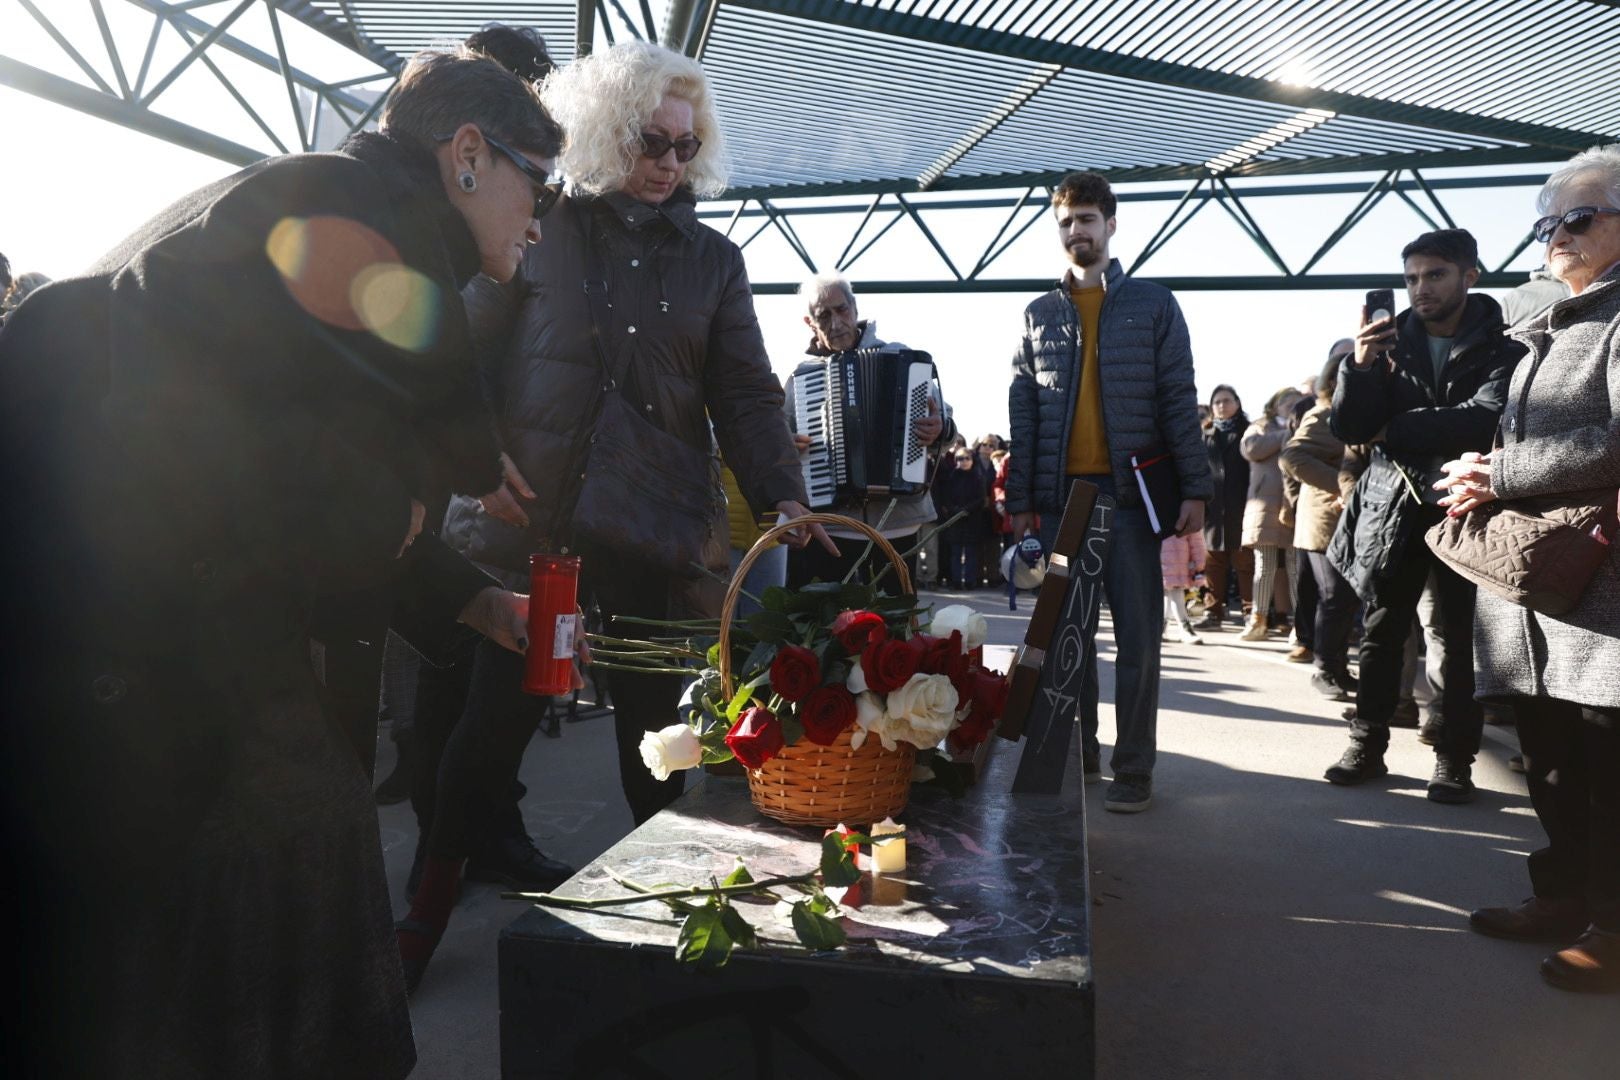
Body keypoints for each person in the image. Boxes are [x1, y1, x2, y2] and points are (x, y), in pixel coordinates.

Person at [0, 45, 561, 1077]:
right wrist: (383, 505)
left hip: (165, 649)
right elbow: (203, 442)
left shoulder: (347, 211)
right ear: (469, 153)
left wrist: (472, 598)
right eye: (544, 182)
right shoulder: (336, 203)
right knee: (262, 900)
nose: (544, 218)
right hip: (135, 657)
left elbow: (300, 471)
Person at [426, 40, 824, 986]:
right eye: (653, 140)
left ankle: (668, 932)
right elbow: (466, 353)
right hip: (541, 527)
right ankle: (418, 916)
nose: (669, 163)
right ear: (612, 131)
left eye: (687, 149)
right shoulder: (542, 224)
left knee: (657, 742)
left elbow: (746, 392)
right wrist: (468, 459)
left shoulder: (715, 262)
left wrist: (782, 491)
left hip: (654, 532)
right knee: (489, 733)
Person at [1449, 145, 1620, 993]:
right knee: (1549, 757)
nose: (1558, 235)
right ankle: (1565, 896)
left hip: (1600, 588)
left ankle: (1615, 927)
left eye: (1579, 218)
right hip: (1541, 588)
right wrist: (1483, 469)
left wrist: (1502, 473)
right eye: (1548, 222)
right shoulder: (1551, 322)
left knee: (1606, 763)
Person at [1006, 171, 1211, 814]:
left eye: (1088, 219)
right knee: (1070, 640)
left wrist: (1196, 487)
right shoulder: (1038, 315)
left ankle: (1134, 768)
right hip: (1067, 503)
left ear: (1111, 224)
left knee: (1140, 639)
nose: (1077, 231)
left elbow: (1179, 399)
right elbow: (1025, 415)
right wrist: (1020, 503)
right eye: (1066, 221)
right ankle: (1081, 751)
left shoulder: (1154, 304)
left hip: (1131, 501)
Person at [1325, 227, 1523, 802]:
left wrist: (1399, 427)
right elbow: (1352, 428)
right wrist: (1360, 367)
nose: (1420, 288)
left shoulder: (1503, 346)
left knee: (1460, 639)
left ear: (1469, 275)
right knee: (1383, 633)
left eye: (1434, 274)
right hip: (1395, 504)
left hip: (1466, 508)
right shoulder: (1386, 347)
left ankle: (1454, 759)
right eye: (1412, 278)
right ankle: (1367, 743)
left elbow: (1485, 417)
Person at [783, 270, 951, 587]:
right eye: (823, 315)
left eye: (841, 310)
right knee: (827, 625)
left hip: (898, 520)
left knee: (896, 627)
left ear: (855, 307)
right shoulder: (800, 379)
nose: (835, 323)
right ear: (810, 323)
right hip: (831, 523)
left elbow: (944, 419)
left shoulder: (902, 359)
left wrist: (939, 428)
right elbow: (779, 437)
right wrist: (789, 445)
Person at [1281, 347, 1362, 701]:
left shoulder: (1357, 412)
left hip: (1349, 520)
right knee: (1333, 597)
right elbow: (1291, 455)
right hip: (1323, 521)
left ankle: (1338, 667)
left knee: (1343, 600)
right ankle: (1325, 669)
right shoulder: (1324, 413)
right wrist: (1342, 483)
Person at [1238, 387, 1302, 641]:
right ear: (1275, 405)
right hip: (1264, 507)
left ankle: (1301, 623)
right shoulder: (1260, 426)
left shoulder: (1304, 426)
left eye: (1296, 403)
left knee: (1296, 567)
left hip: (1294, 505)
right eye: (1286, 401)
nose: (1290, 406)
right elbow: (1250, 449)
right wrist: (1284, 434)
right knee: (1264, 566)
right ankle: (1258, 619)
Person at [1196, 384, 1252, 630]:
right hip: (1212, 509)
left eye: (1227, 400)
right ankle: (1213, 611)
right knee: (1213, 562)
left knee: (1245, 563)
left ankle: (1251, 612)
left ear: (1237, 403)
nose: (1221, 405)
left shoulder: (1249, 432)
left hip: (1242, 506)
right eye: (1217, 401)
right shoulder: (1204, 434)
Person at [934, 446, 989, 588]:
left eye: (966, 458)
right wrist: (955, 510)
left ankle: (970, 581)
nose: (963, 461)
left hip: (972, 519)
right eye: (959, 458)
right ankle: (956, 581)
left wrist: (966, 509)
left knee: (971, 553)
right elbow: (946, 497)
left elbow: (981, 499)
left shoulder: (978, 476)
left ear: (972, 460)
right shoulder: (951, 477)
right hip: (955, 520)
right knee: (955, 553)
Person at [1160, 531, 1207, 645]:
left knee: (1174, 591)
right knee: (1167, 593)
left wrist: (1198, 563)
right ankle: (1178, 627)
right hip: (1163, 558)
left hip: (1179, 561)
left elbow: (1195, 538)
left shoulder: (1183, 514)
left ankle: (1178, 627)